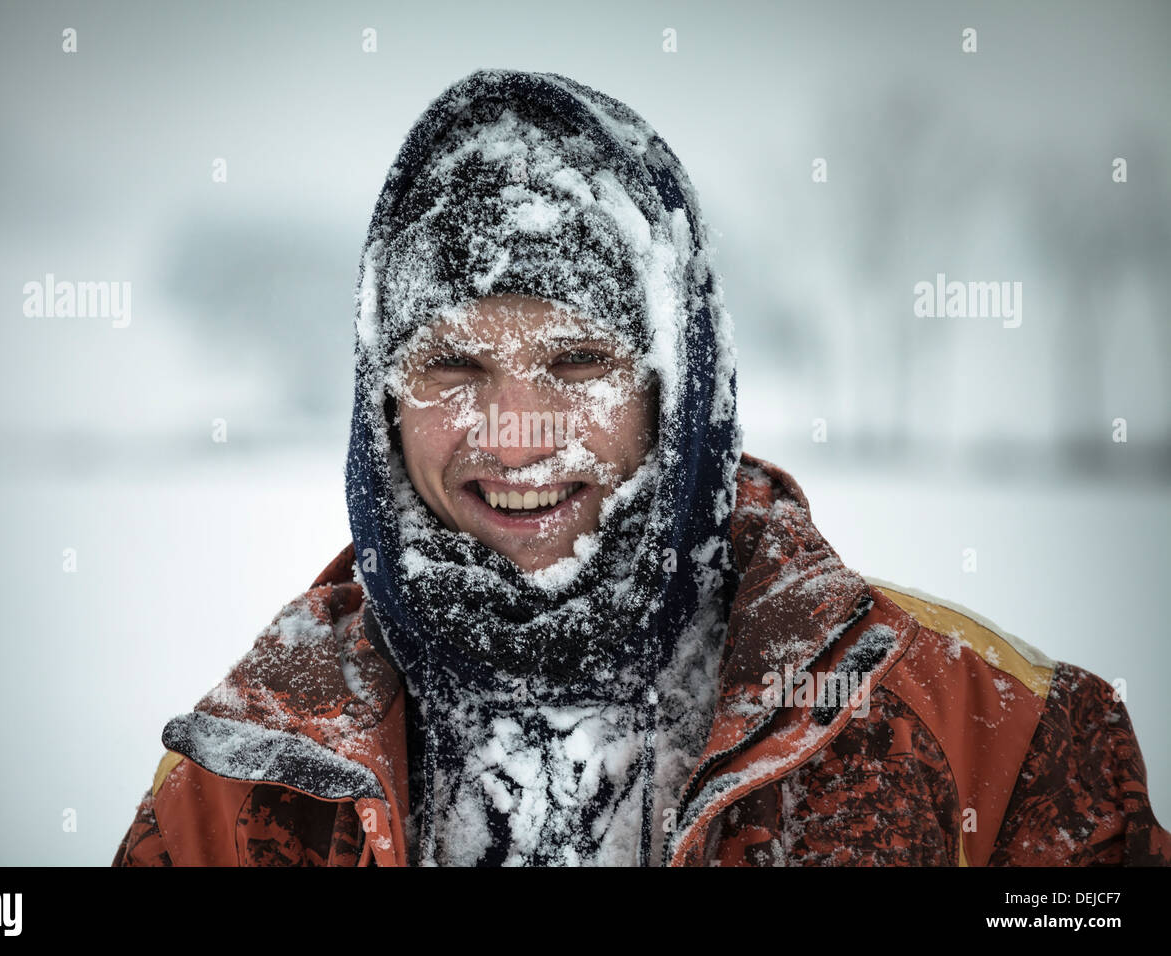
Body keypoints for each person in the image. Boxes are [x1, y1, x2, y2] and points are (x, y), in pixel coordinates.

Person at [111, 68, 1170, 867]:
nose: (517, 434)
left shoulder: (991, 734)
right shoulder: (243, 776)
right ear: (380, 400)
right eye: (453, 364)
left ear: (683, 388)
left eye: (579, 360)